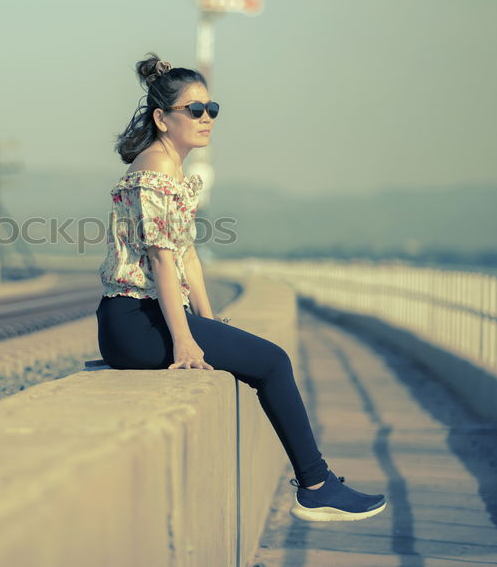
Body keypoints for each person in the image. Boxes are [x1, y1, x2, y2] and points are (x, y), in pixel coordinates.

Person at [95, 52, 387, 522]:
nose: (206, 118)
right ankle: (315, 485)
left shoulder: (170, 169)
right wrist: (186, 341)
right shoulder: (155, 173)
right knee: (273, 362)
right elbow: (162, 262)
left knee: (260, 358)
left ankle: (318, 482)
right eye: (194, 110)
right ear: (162, 119)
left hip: (138, 319)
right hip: (135, 323)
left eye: (212, 109)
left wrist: (206, 321)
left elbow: (187, 255)